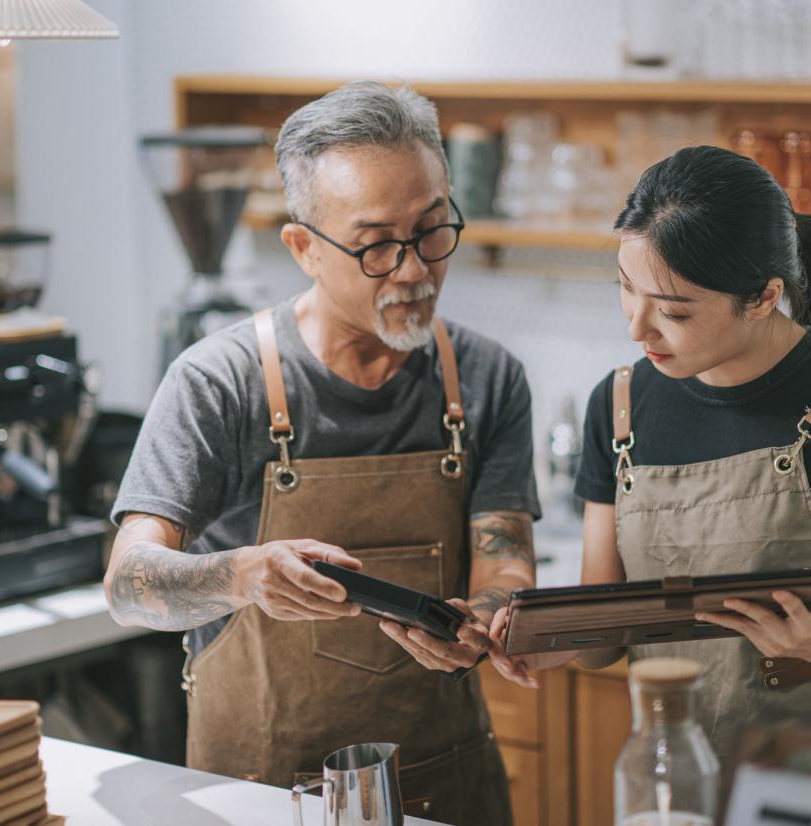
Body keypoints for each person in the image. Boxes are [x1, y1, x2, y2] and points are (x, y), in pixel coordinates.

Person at [105, 81, 540, 825]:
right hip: (260, 795)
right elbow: (125, 584)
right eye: (374, 245)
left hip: (445, 786)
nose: (412, 269)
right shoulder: (219, 382)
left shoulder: (487, 376)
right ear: (303, 247)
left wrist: (489, 616)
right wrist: (241, 574)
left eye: (432, 230)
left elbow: (504, 552)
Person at [490, 145, 811, 765]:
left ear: (763, 297)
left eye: (674, 310)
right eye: (626, 290)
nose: (637, 328)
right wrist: (550, 641)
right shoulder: (620, 405)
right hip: (678, 771)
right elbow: (608, 626)